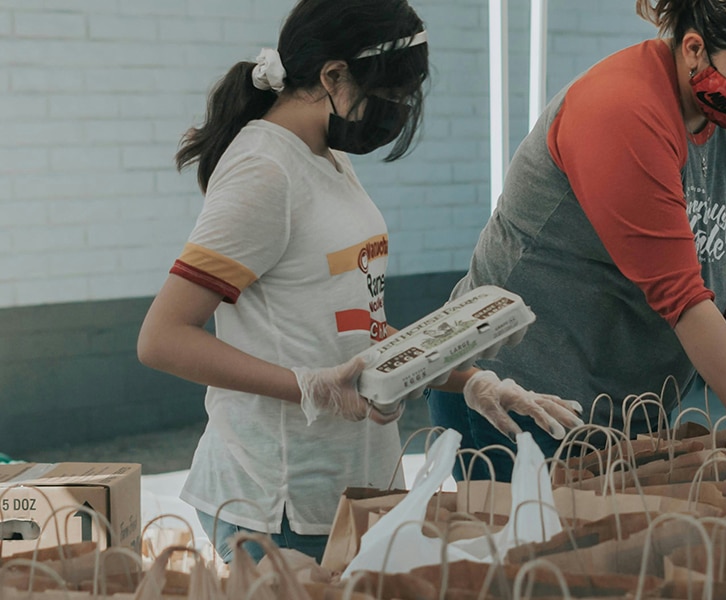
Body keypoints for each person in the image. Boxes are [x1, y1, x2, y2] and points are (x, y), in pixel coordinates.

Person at [137, 0, 580, 563]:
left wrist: (464, 377)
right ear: (333, 76)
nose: (396, 112)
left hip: (353, 486)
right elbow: (163, 338)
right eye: (390, 96)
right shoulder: (264, 171)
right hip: (281, 502)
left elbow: (354, 322)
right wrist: (308, 385)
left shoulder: (323, 156)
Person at [429, 0, 726, 482]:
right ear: (694, 49)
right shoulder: (621, 110)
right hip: (521, 394)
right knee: (534, 548)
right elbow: (682, 297)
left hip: (620, 405)